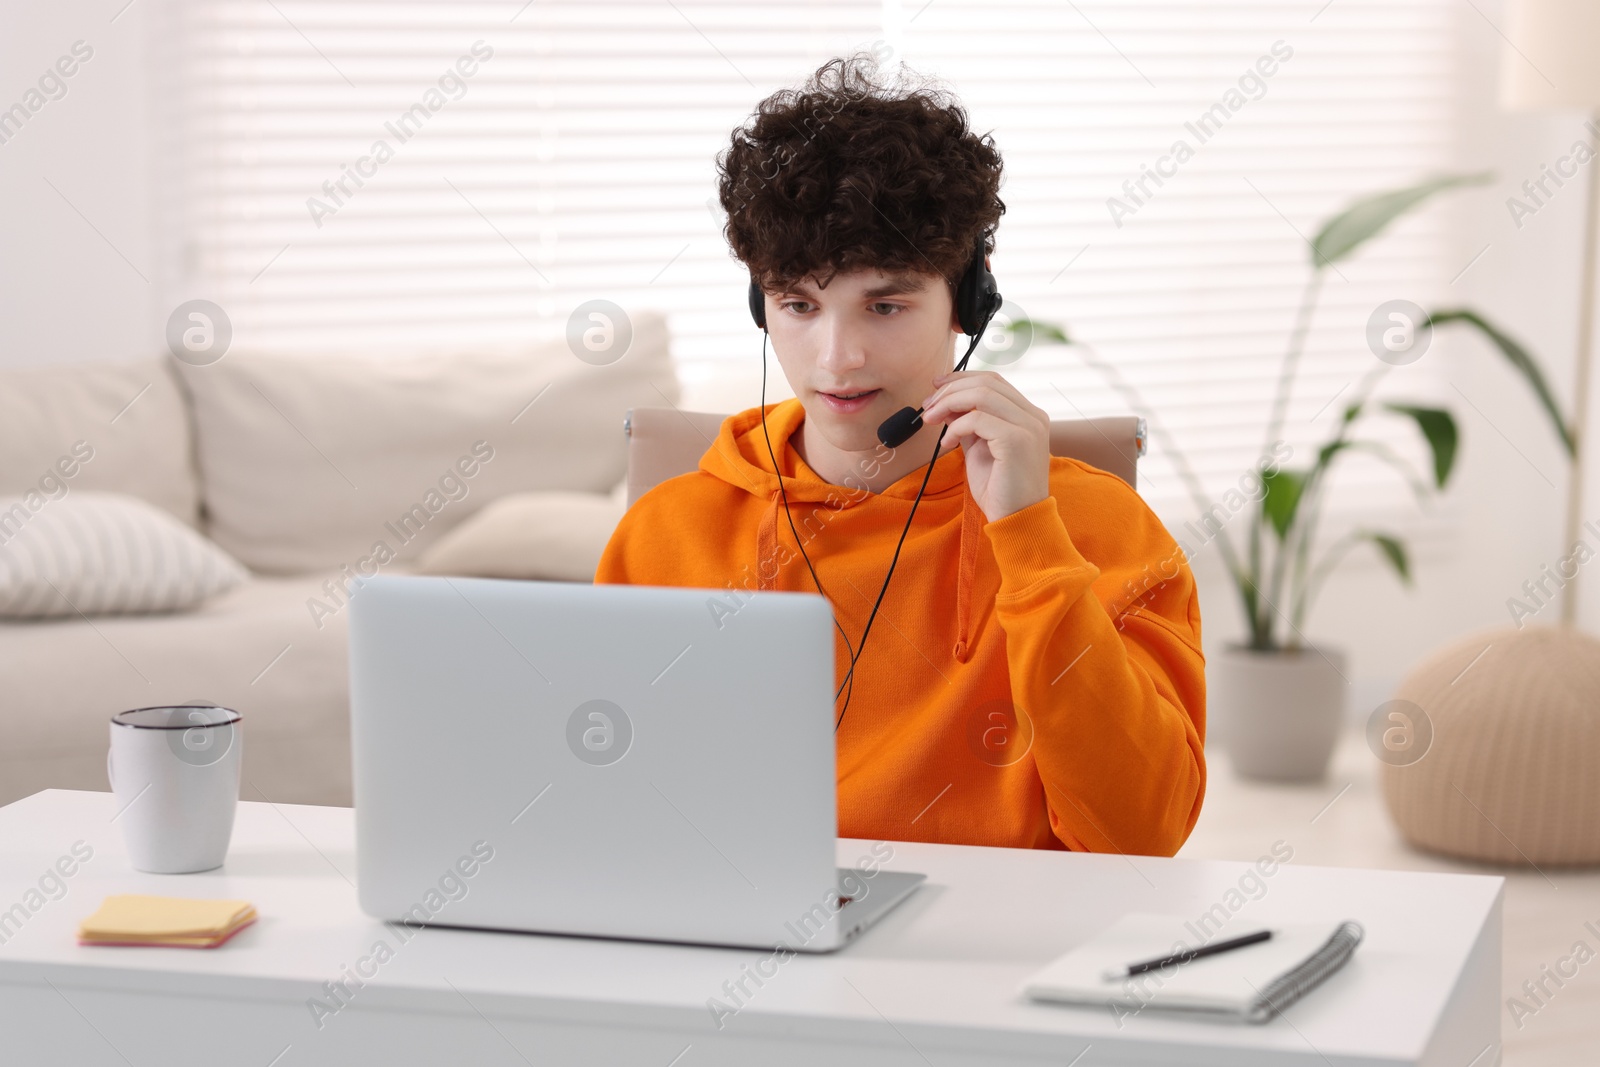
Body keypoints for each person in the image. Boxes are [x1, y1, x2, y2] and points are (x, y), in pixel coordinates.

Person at [595, 53, 1205, 856]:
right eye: (799, 305)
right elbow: (609, 814)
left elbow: (1142, 837)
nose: (836, 356)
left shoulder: (1096, 525)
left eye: (885, 305)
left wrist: (1029, 539)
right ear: (760, 305)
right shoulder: (666, 535)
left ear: (969, 303)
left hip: (992, 958)